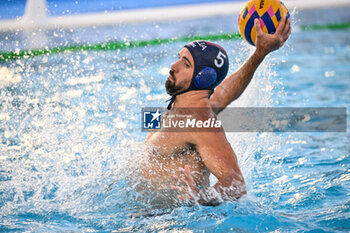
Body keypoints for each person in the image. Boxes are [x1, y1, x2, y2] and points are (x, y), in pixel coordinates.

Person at [141, 18, 291, 206]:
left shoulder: (200, 123)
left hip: (164, 217)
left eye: (185, 64)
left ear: (202, 79)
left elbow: (236, 184)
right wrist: (259, 54)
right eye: (179, 57)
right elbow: (224, 93)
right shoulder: (192, 108)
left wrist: (200, 196)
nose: (174, 66)